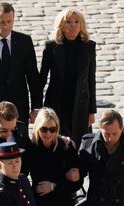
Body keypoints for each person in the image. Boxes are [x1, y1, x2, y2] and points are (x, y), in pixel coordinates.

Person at [40, 8, 96, 148]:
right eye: (68, 22)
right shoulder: (51, 47)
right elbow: (42, 79)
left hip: (80, 104)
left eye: (76, 22)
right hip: (57, 102)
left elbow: (91, 80)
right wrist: (37, 108)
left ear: (81, 24)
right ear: (62, 25)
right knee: (56, 142)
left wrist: (92, 110)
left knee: (80, 143)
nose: (73, 25)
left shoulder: (89, 47)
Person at [26, 107, 82, 206]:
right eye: (44, 129)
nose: (48, 134)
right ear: (37, 128)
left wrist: (54, 186)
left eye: (52, 129)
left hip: (63, 205)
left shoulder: (66, 147)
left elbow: (77, 182)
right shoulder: (30, 148)